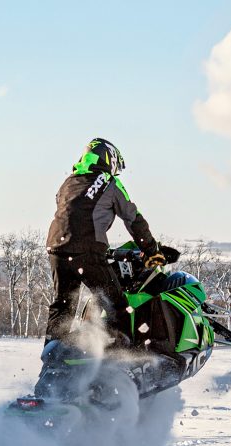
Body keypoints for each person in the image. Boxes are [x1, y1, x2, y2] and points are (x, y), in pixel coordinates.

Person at [43, 137, 168, 348]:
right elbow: (133, 218)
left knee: (62, 307)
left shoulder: (68, 182)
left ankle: (52, 360)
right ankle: (120, 362)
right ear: (108, 158)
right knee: (115, 305)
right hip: (87, 251)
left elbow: (73, 214)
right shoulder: (110, 182)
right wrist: (151, 249)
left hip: (56, 248)